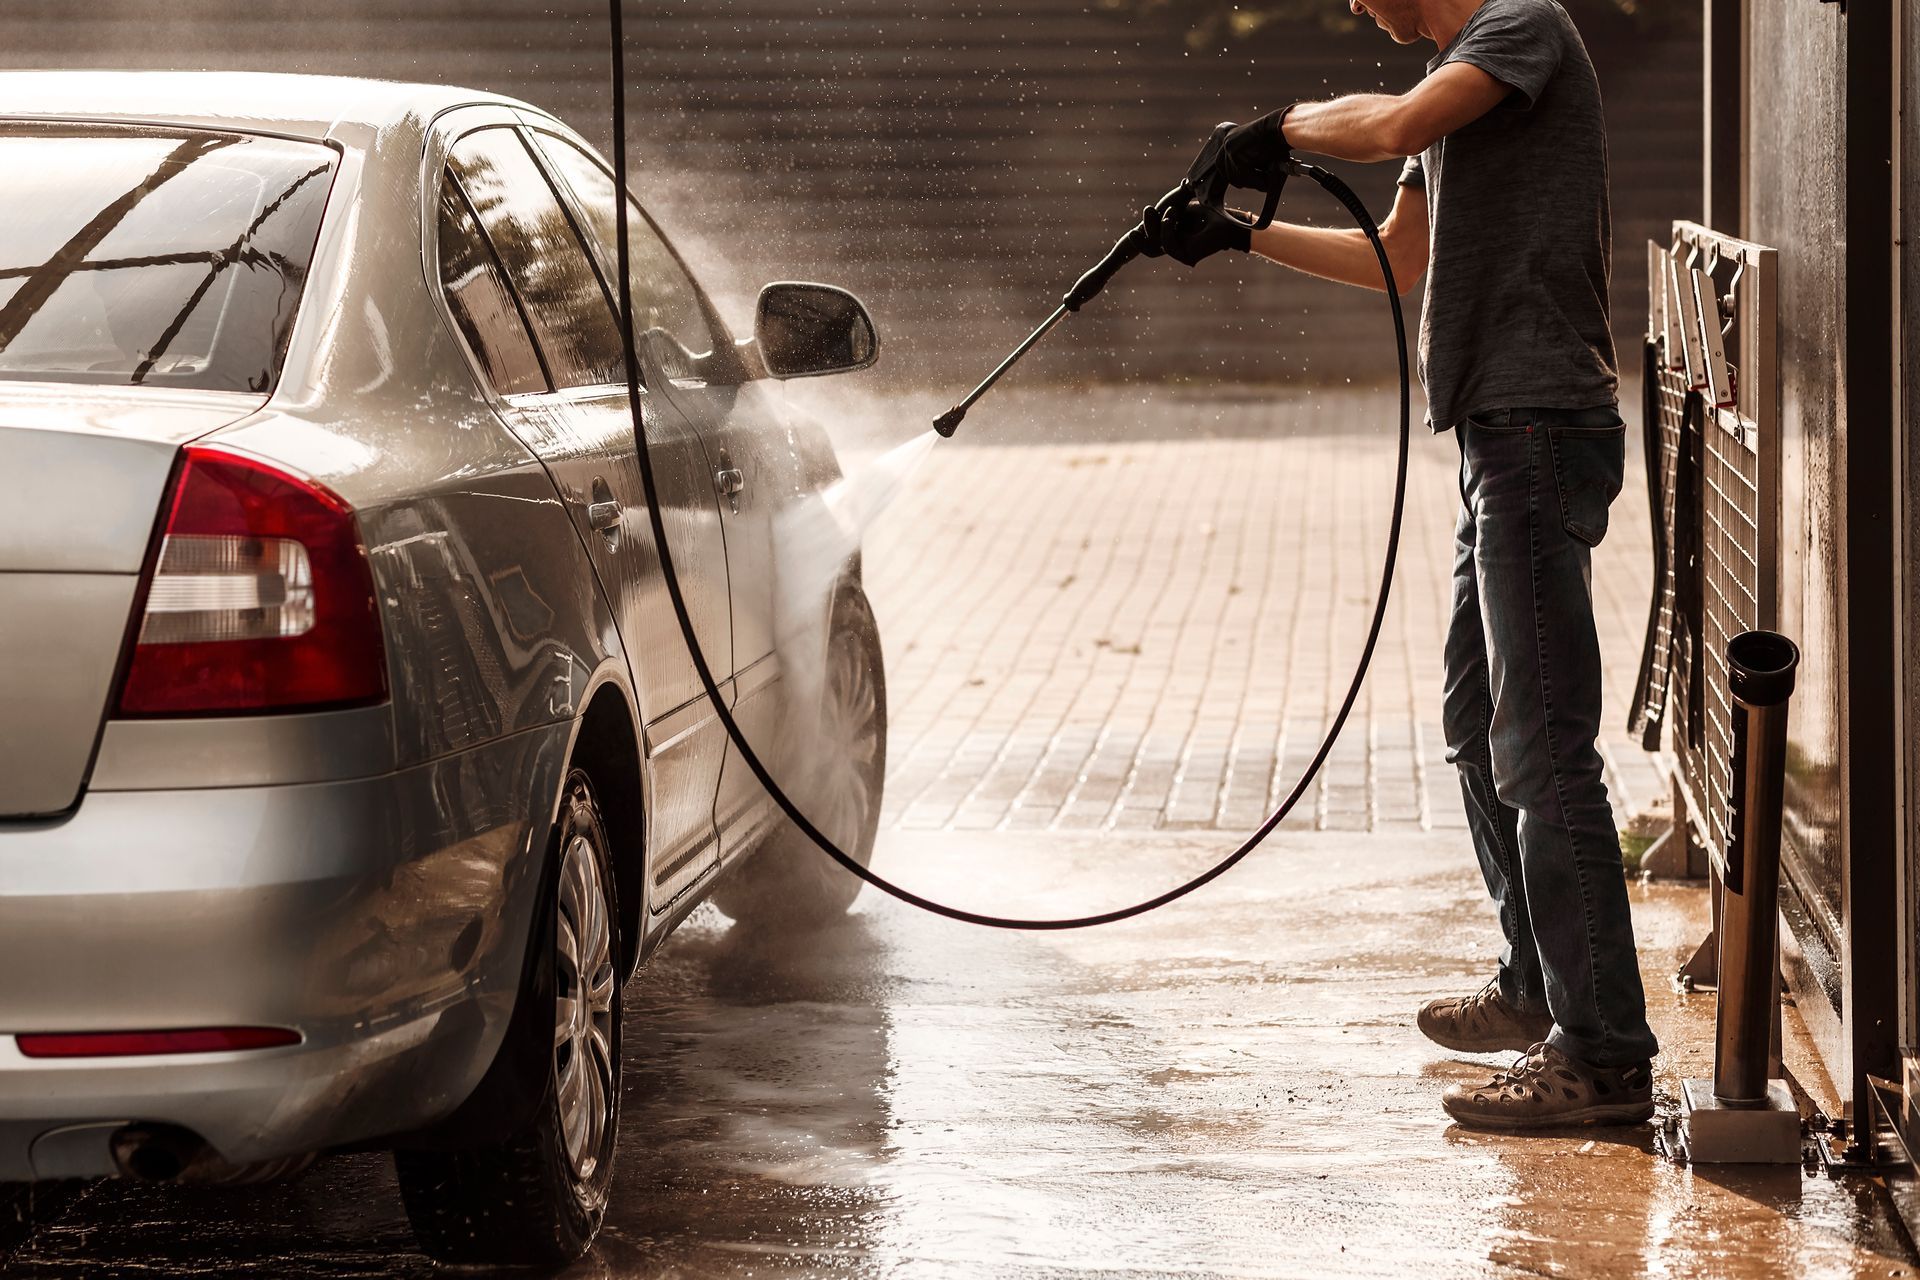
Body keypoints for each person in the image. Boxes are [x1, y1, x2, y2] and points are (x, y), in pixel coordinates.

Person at [1147, 0, 1658, 1130]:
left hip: (1538, 426)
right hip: (1495, 436)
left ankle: (1607, 1050)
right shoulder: (1449, 81)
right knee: (1477, 726)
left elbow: (1387, 127)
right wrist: (1241, 234)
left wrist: (1276, 127)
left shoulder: (1522, 29)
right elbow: (1398, 258)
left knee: (1542, 743)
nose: (1355, 5)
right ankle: (1537, 985)